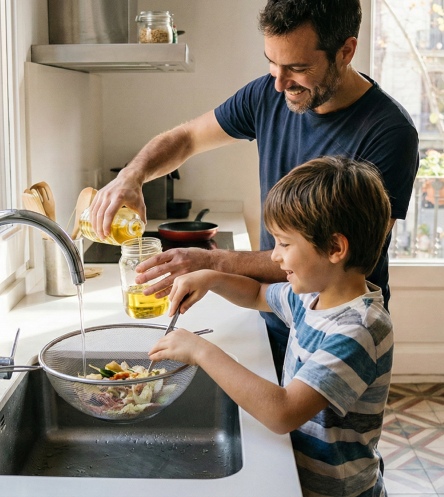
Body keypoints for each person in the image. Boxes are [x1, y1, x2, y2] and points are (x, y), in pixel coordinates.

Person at [89, 0, 418, 376]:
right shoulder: (270, 92)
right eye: (271, 64)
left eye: (296, 68)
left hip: (336, 330)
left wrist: (212, 263)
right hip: (277, 308)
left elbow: (348, 257)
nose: (279, 85)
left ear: (345, 51)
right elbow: (189, 137)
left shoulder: (389, 133)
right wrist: (133, 176)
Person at [150, 156, 393, 497]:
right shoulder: (313, 297)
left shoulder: (357, 330)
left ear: (335, 248)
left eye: (284, 243)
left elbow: (283, 412)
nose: (275, 257)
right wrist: (212, 277)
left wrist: (201, 351)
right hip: (299, 476)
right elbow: (257, 294)